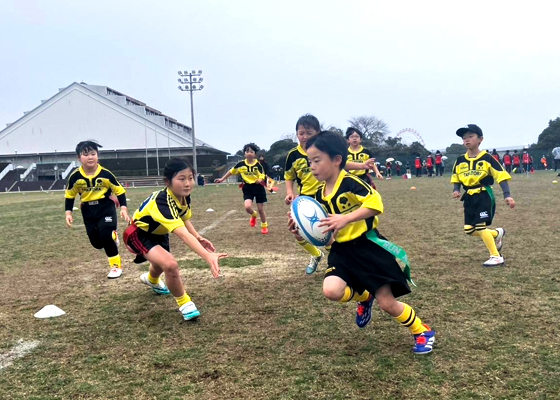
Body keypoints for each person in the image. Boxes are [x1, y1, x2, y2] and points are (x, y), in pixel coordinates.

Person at [288, 131, 435, 354]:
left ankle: (421, 330)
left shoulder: (350, 183)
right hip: (342, 251)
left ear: (337, 160)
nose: (312, 167)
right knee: (331, 291)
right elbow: (323, 232)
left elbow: (376, 204)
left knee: (387, 303)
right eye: (310, 162)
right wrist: (301, 232)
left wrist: (346, 217)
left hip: (368, 248)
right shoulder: (317, 196)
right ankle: (365, 297)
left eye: (317, 161)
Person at [123, 159, 227, 321]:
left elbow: (184, 218)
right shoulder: (162, 201)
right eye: (181, 178)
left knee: (160, 265)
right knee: (170, 265)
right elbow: (184, 235)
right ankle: (185, 303)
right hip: (139, 233)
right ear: (167, 181)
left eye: (190, 178)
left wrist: (198, 237)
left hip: (159, 233)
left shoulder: (184, 197)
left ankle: (151, 280)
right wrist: (208, 256)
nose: (188, 183)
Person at [284, 114, 375, 274]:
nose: (304, 137)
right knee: (298, 232)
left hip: (328, 196)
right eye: (301, 133)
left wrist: (362, 166)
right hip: (306, 200)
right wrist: (290, 192)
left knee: (330, 233)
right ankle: (316, 255)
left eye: (309, 133)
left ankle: (341, 262)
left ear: (318, 133)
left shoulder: (324, 151)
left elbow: (342, 163)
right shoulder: (293, 155)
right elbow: (289, 175)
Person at [451, 125, 515, 267]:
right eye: (464, 138)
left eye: (470, 136)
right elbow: (456, 177)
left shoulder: (488, 158)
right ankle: (496, 234)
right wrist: (456, 190)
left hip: (483, 195)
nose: (466, 140)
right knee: (469, 229)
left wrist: (507, 195)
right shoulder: (460, 160)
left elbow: (501, 176)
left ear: (480, 139)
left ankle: (496, 256)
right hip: (469, 197)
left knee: (480, 227)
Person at [65, 140, 130, 279]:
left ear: (97, 155)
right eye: (86, 154)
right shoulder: (75, 177)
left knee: (105, 235)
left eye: (93, 154)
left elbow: (120, 191)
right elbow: (70, 195)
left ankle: (115, 266)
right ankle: (114, 236)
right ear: (79, 158)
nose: (90, 157)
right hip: (87, 210)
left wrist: (123, 208)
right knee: (97, 243)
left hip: (105, 207)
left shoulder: (106, 174)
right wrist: (68, 213)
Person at [215, 143, 269, 234]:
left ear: (255, 154)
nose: (249, 153)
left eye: (251, 151)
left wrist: (260, 179)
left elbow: (262, 175)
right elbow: (231, 171)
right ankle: (253, 214)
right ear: (244, 154)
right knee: (247, 207)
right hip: (247, 187)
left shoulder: (258, 165)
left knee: (260, 209)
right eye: (247, 151)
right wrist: (222, 179)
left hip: (258, 187)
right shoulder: (240, 164)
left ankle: (264, 225)